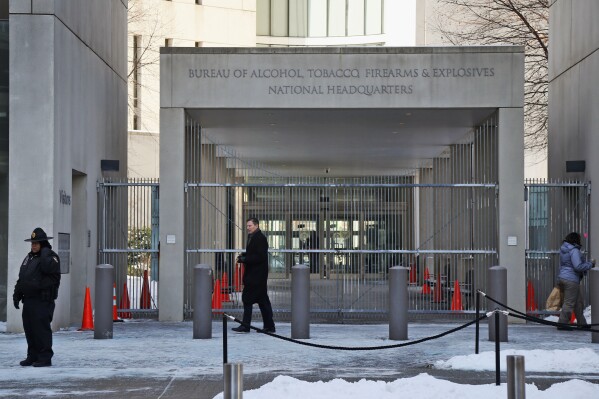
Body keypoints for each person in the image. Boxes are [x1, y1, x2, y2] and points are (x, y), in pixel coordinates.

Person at [13, 227, 61, 367]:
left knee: (41, 330)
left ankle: (45, 357)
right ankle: (32, 356)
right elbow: (22, 278)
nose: (33, 245)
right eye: (32, 243)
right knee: (30, 329)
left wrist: (45, 251)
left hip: (42, 301)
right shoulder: (29, 257)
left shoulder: (51, 258)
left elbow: (49, 274)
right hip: (29, 300)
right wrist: (17, 294)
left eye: (37, 243)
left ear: (43, 244)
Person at [232, 218, 276, 333]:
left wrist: (245, 259)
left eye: (250, 225)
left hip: (256, 276)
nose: (248, 228)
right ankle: (268, 326)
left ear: (256, 225)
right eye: (247, 226)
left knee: (249, 300)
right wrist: (245, 255)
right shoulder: (254, 237)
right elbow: (255, 253)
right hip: (255, 276)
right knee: (261, 301)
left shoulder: (260, 238)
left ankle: (248, 325)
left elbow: (260, 257)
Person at [556, 232, 595, 330]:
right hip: (571, 280)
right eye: (579, 239)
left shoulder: (564, 249)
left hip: (564, 277)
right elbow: (577, 266)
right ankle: (562, 324)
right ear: (576, 240)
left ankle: (582, 324)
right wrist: (590, 264)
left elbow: (565, 264)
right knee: (569, 303)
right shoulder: (574, 250)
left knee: (578, 303)